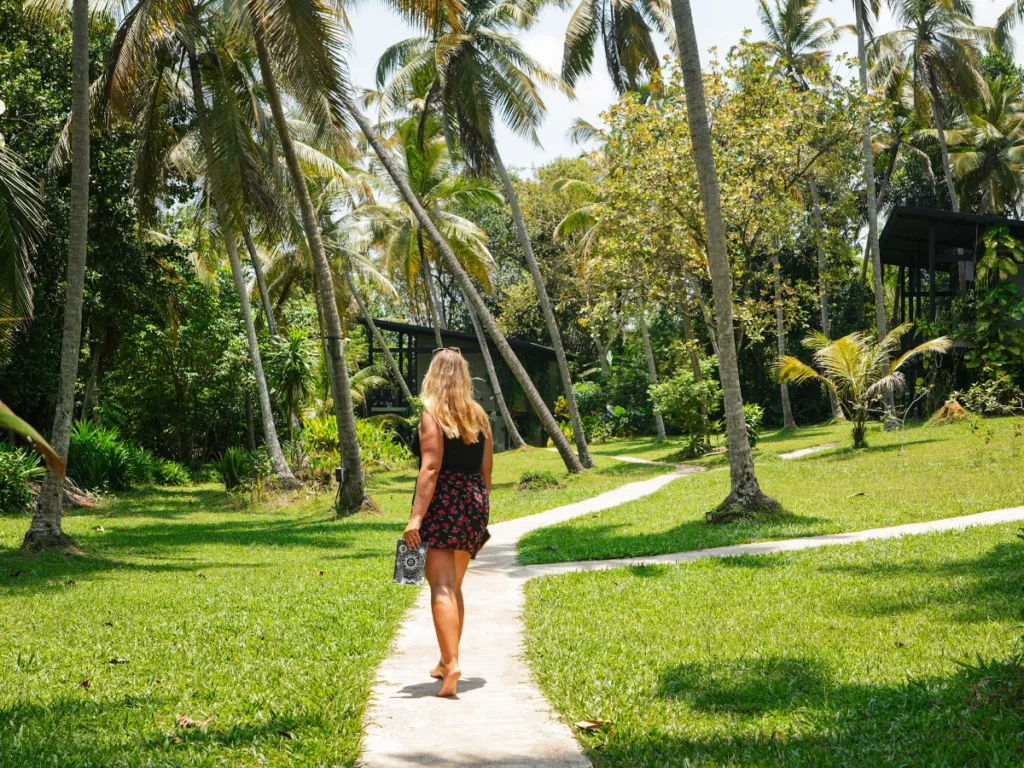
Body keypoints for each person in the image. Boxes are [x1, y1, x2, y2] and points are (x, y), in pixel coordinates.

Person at [403, 348, 494, 697]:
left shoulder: (432, 415)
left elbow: (430, 468)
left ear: (433, 376)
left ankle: (452, 664)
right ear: (464, 376)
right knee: (454, 586)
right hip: (473, 499)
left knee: (440, 585)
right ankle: (444, 661)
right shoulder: (479, 416)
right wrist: (480, 509)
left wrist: (415, 517)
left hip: (444, 500)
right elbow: (486, 469)